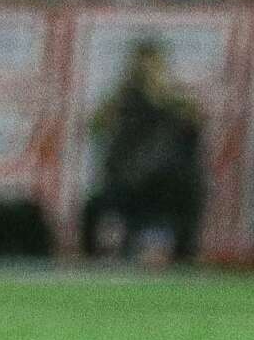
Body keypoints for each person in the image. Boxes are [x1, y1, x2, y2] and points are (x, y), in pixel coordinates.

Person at [80, 36, 203, 263]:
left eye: (150, 67)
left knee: (176, 195)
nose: (144, 73)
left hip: (164, 188)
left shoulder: (177, 104)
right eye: (139, 67)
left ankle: (169, 253)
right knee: (95, 208)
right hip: (124, 185)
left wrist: (162, 97)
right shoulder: (120, 102)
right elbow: (94, 127)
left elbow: (194, 130)